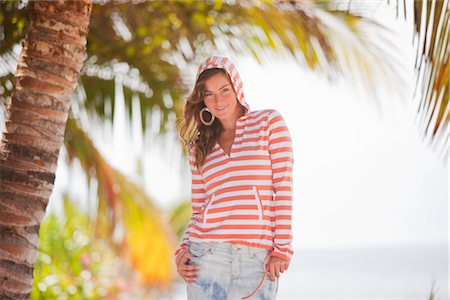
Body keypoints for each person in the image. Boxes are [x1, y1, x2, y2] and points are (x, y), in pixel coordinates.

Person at [175, 55, 294, 299]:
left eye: (224, 89)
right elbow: (199, 207)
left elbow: (283, 188)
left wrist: (282, 248)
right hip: (205, 256)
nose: (218, 100)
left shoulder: (269, 124)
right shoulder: (198, 146)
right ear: (202, 100)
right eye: (209, 94)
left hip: (254, 258)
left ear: (237, 87)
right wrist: (183, 250)